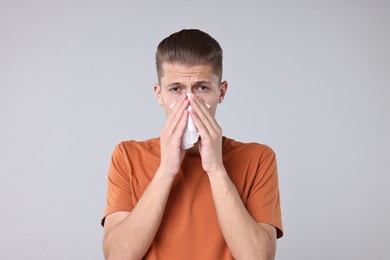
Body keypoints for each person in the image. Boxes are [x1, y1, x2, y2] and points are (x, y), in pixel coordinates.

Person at [101, 29, 283, 260]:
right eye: (176, 89)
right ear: (159, 94)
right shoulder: (127, 156)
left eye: (201, 88)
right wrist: (166, 170)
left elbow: (257, 258)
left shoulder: (258, 159)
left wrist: (216, 170)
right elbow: (117, 256)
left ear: (221, 92)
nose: (189, 102)